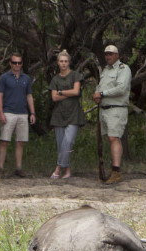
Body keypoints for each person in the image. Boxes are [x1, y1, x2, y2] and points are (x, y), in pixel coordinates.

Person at [92, 45, 131, 184]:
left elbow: (121, 88)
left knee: (114, 138)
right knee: (110, 139)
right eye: (106, 54)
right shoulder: (106, 70)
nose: (108, 57)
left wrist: (102, 94)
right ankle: (113, 170)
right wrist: (97, 94)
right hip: (105, 109)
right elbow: (101, 86)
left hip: (117, 108)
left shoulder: (123, 69)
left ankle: (116, 171)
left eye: (111, 54)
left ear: (117, 55)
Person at [0, 53, 35, 178]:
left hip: (23, 113)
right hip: (8, 112)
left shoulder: (26, 78)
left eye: (19, 63)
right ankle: (0, 168)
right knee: (4, 140)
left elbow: (29, 96)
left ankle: (18, 168)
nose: (17, 65)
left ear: (22, 64)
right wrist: (0, 112)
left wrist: (32, 112)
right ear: (10, 63)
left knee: (20, 142)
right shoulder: (4, 78)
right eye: (14, 62)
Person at [49, 50, 85, 179]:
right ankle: (67, 170)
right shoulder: (55, 79)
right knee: (61, 144)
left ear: (69, 62)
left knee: (68, 141)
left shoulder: (75, 75)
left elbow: (76, 92)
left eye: (65, 61)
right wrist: (65, 94)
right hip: (59, 115)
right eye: (61, 61)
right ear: (58, 63)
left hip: (74, 114)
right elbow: (54, 98)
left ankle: (58, 168)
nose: (63, 64)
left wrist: (61, 92)